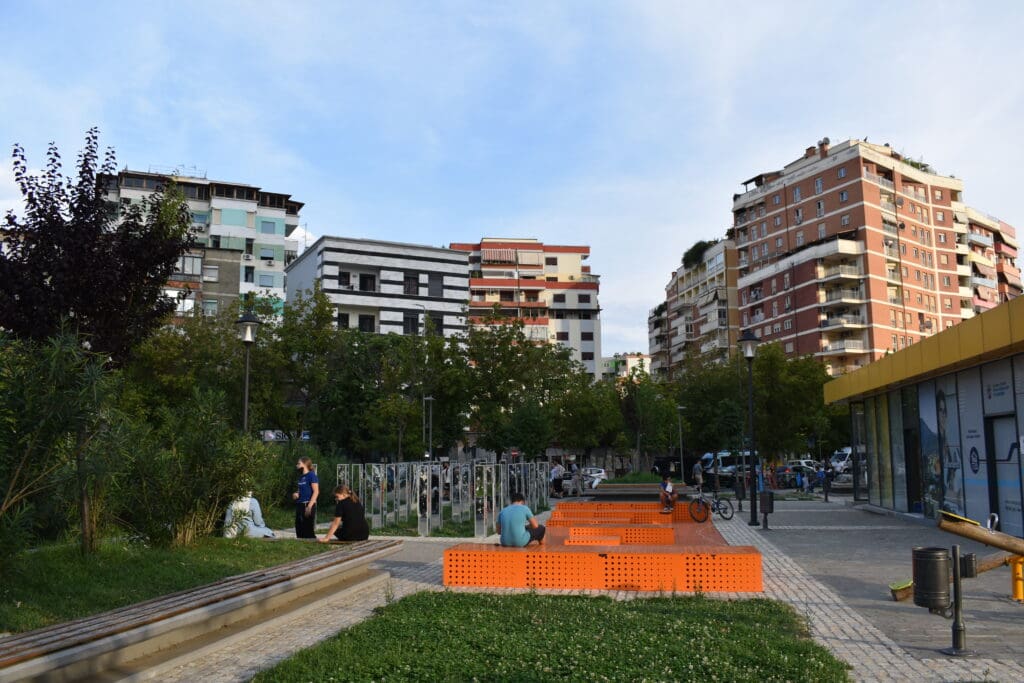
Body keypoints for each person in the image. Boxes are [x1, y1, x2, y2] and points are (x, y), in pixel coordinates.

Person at [292, 457, 319, 539]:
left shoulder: (311, 475)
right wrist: (296, 494)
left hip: (308, 504)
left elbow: (316, 491)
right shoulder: (301, 477)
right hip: (300, 504)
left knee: (308, 529)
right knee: (299, 527)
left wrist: (309, 506)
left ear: (305, 464)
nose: (297, 465)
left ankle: (312, 545)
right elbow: (300, 490)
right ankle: (300, 546)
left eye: (299, 463)